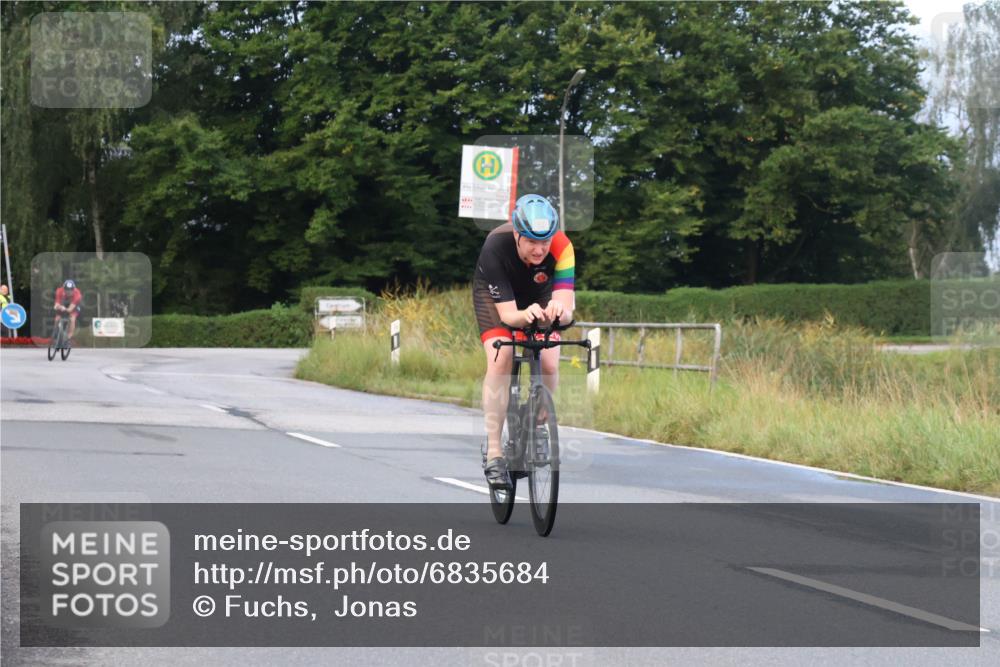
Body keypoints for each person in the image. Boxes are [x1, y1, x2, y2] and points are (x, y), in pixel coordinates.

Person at [472, 194, 575, 488]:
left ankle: (538, 423)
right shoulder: (496, 246)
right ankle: (494, 453)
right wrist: (524, 315)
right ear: (517, 234)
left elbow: (567, 310)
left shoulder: (563, 248)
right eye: (531, 241)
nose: (540, 249)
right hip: (497, 297)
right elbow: (508, 316)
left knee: (550, 362)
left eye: (545, 241)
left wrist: (558, 311)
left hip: (539, 293)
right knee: (501, 358)